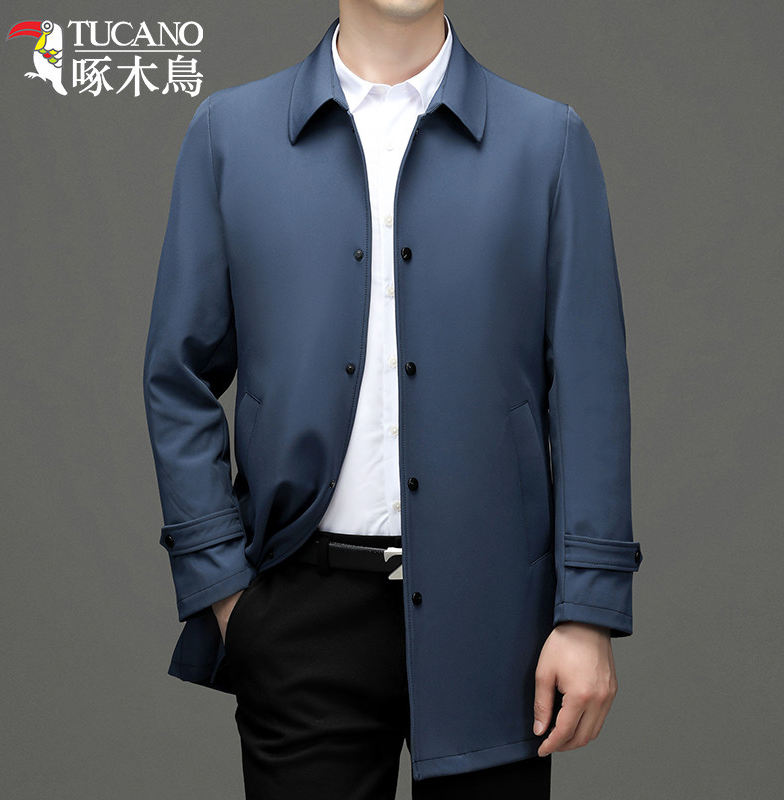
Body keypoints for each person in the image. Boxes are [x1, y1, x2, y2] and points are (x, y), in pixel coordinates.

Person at [143, 1, 643, 797]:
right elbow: (177, 375)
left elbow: (590, 395)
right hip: (300, 612)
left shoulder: (548, 143)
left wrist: (588, 611)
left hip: (498, 624)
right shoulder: (228, 135)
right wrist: (228, 596)